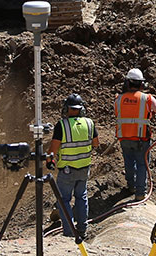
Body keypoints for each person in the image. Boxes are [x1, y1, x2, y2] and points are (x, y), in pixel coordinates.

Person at [48, 93, 98, 237]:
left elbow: (53, 149)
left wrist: (50, 160)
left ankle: (69, 233)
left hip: (67, 171)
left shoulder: (61, 125)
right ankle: (82, 228)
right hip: (84, 168)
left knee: (64, 200)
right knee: (81, 197)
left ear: (67, 108)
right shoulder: (89, 123)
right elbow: (95, 143)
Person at [114, 68, 156, 201]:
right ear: (141, 84)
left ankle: (131, 186)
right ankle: (140, 193)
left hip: (124, 136)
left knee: (129, 162)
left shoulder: (119, 99)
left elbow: (118, 113)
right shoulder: (147, 98)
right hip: (141, 138)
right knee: (142, 164)